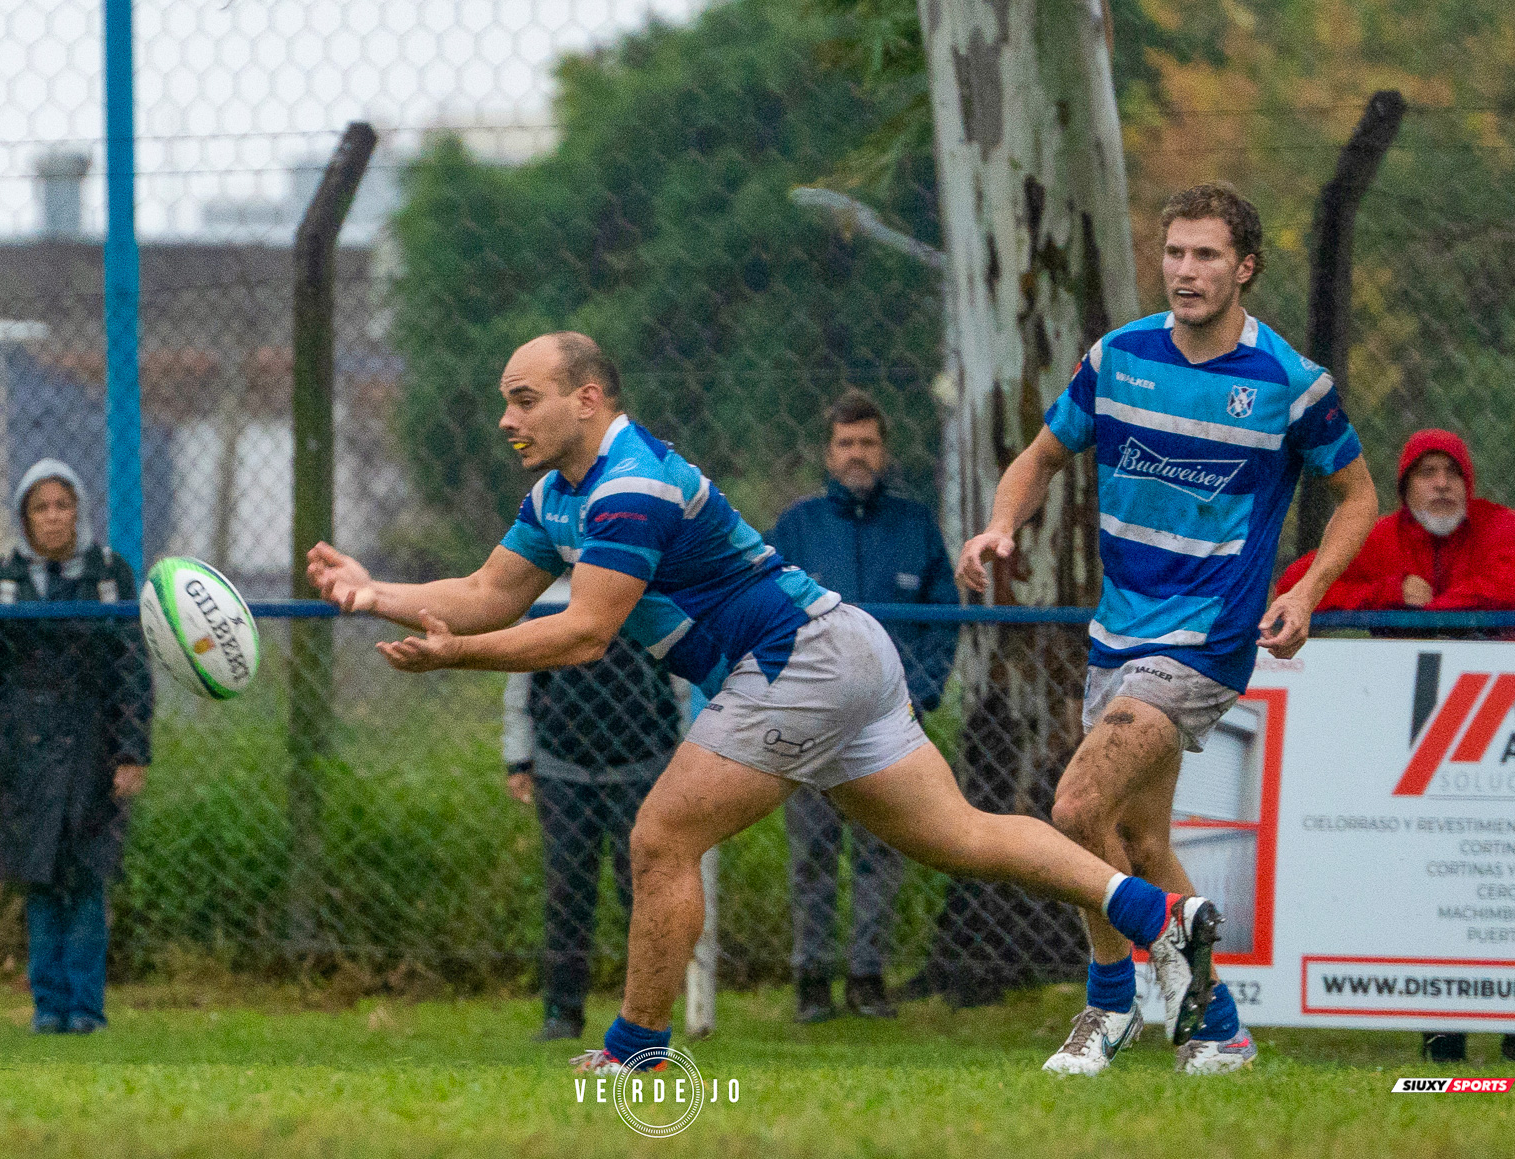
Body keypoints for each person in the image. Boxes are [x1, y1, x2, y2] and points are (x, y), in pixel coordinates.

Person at [307, 330, 1224, 1076]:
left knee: (662, 839)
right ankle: (1154, 913)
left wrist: (453, 657)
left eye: (524, 398)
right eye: (505, 399)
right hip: (838, 647)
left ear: (587, 397)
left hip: (794, 660)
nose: (507, 417)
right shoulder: (559, 495)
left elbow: (584, 631)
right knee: (965, 835)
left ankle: (636, 1052)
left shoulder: (628, 488)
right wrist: (374, 591)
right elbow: (490, 588)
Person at [960, 182, 1380, 1076]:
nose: (1185, 272)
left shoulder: (1289, 385)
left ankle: (1108, 1006)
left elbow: (1358, 495)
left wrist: (1304, 595)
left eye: (1207, 256)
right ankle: (1219, 1025)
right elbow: (1038, 459)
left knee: (1075, 807)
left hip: (1205, 638)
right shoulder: (1119, 357)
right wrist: (1002, 525)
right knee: (1138, 842)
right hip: (1119, 631)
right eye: (1174, 253)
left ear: (1246, 269)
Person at [1278, 428, 1515, 1065]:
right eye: (1426, 473)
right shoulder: (1377, 539)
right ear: (1402, 488)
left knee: (1510, 881)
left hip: (1510, 733)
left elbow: (1509, 594)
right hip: (1416, 735)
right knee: (1428, 876)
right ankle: (1442, 1048)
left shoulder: (1502, 526)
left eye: (1451, 471)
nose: (1441, 484)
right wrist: (1388, 594)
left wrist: (1431, 611)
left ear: (1469, 483)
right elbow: (1297, 588)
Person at [766, 389, 958, 1022]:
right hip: (808, 724)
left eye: (868, 443)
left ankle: (869, 979)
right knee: (812, 856)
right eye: (845, 443)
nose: (857, 454)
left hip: (890, 725)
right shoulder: (795, 529)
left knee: (883, 853)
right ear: (828, 452)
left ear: (884, 450)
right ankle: (812, 983)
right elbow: (762, 610)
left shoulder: (915, 526)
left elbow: (943, 618)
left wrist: (921, 693)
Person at [0, 459, 153, 1034]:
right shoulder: (3, 580)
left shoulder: (111, 575)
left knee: (87, 878)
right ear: (25, 517)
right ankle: (48, 1007)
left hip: (92, 749)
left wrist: (132, 751)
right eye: (40, 507)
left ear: (79, 511)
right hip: (21, 753)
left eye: (62, 504)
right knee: (38, 877)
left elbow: (132, 671)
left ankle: (87, 1010)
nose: (52, 517)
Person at [502, 579, 684, 1041]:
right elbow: (520, 685)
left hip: (646, 769)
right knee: (567, 895)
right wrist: (518, 759)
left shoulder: (652, 596)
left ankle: (645, 1015)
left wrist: (687, 759)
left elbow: (682, 684)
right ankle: (562, 1015)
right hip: (562, 771)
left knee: (643, 895)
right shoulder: (545, 602)